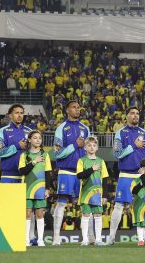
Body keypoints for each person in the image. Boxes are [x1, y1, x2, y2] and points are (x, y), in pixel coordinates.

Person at [109, 106, 145, 245]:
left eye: (137, 113)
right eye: (132, 113)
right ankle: (111, 238)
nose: (135, 115)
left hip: (140, 176)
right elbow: (116, 154)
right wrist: (133, 146)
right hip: (126, 175)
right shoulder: (120, 133)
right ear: (126, 116)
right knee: (118, 206)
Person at [52, 100, 92, 245]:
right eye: (74, 107)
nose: (77, 110)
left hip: (83, 173)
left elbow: (91, 149)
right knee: (61, 203)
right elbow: (57, 153)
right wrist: (75, 145)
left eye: (78, 107)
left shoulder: (85, 128)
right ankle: (56, 238)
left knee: (86, 204)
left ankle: (89, 238)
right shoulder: (61, 128)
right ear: (67, 110)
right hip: (66, 172)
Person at [19, 130, 52, 247]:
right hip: (27, 188)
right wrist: (34, 162)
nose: (38, 140)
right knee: (27, 214)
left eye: (39, 138)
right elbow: (22, 171)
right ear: (29, 140)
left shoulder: (45, 155)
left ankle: (40, 240)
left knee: (39, 214)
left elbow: (48, 173)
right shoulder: (24, 155)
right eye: (35, 138)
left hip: (40, 188)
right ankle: (26, 240)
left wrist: (47, 188)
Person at [76, 135, 109, 247]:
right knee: (85, 215)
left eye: (94, 145)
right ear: (85, 148)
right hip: (85, 193)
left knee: (98, 214)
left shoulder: (101, 161)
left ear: (97, 148)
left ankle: (98, 240)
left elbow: (105, 179)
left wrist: (105, 195)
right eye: (89, 145)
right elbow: (79, 175)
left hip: (97, 194)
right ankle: (85, 240)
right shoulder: (81, 160)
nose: (91, 147)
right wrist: (91, 169)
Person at [0, 104, 32, 184]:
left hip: (26, 176)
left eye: (21, 113)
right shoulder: (3, 131)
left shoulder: (30, 131)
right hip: (8, 176)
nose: (19, 115)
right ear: (10, 115)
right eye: (16, 113)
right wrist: (18, 146)